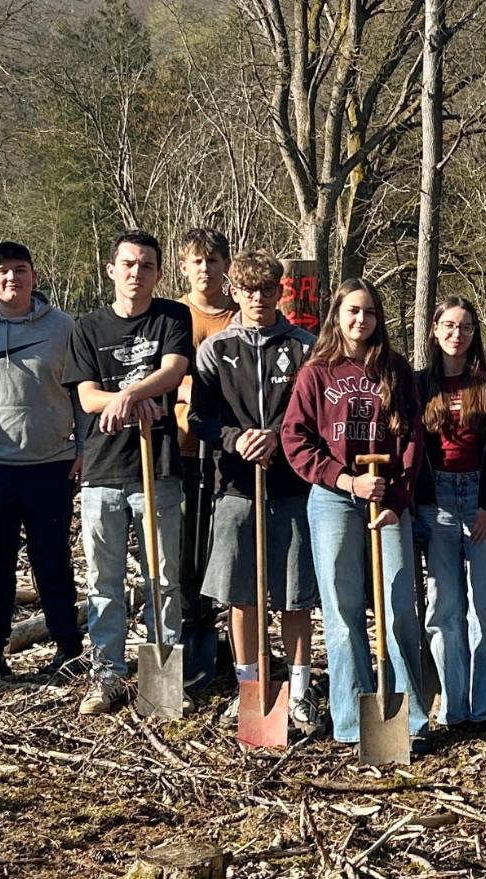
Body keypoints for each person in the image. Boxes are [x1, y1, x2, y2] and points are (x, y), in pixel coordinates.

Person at [283, 279, 434, 745]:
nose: (360, 320)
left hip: (387, 500)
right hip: (334, 499)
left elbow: (411, 439)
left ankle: (409, 719)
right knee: (342, 608)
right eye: (352, 311)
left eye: (368, 312)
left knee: (397, 606)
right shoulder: (316, 373)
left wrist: (394, 500)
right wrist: (347, 480)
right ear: (337, 315)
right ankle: (351, 719)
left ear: (378, 319)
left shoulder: (395, 370)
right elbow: (295, 439)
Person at [62, 230, 194, 714]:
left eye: (146, 265)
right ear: (111, 269)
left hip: (156, 469)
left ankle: (162, 682)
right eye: (129, 264)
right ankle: (108, 675)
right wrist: (126, 398)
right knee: (104, 580)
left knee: (163, 579)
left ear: (158, 273)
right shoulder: (88, 328)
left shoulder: (171, 317)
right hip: (103, 470)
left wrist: (128, 393)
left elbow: (174, 370)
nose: (137, 273)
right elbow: (87, 397)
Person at [195, 251, 323, 733]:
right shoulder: (216, 350)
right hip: (236, 488)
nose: (258, 298)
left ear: (280, 292)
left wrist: (279, 438)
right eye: (249, 290)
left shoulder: (305, 347)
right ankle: (248, 687)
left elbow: (314, 418)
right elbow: (200, 419)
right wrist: (235, 438)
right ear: (235, 292)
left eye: (267, 290)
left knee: (294, 594)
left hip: (292, 488)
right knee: (241, 595)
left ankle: (299, 690)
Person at [0, 241, 83, 680]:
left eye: (20, 270)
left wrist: (84, 450)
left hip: (51, 466)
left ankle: (69, 650)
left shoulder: (63, 327)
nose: (12, 278)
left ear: (34, 277)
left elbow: (81, 392)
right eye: (2, 271)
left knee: (53, 562)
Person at [416, 297, 486, 728]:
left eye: (466, 327)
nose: (457, 334)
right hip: (435, 502)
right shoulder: (418, 385)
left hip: (481, 502)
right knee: (444, 607)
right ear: (435, 330)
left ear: (474, 334)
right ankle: (453, 705)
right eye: (449, 326)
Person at [173, 227, 238, 690]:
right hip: (179, 449)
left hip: (228, 454)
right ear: (184, 266)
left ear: (225, 267)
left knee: (224, 552)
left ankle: (228, 643)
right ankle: (189, 637)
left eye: (213, 261)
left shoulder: (240, 317)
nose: (205, 269)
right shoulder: (173, 316)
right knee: (183, 553)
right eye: (197, 261)